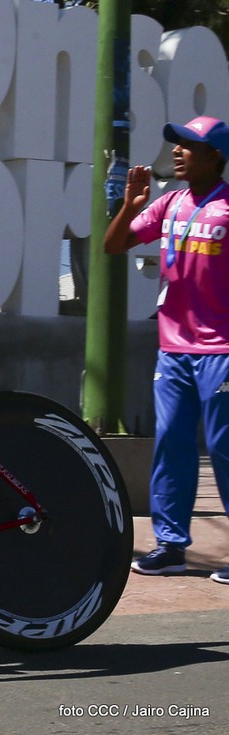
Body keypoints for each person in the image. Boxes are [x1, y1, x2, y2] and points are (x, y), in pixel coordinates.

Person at [104, 116, 229, 584]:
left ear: (216, 156)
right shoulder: (170, 203)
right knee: (172, 442)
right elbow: (114, 245)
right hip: (174, 348)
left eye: (189, 145)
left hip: (223, 350)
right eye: (176, 144)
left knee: (222, 446)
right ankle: (171, 547)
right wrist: (130, 205)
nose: (177, 152)